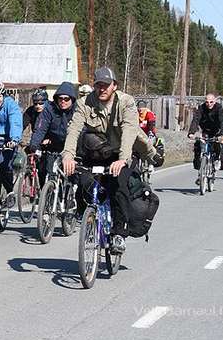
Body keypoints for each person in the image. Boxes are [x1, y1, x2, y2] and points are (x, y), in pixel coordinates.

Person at [62, 67, 159, 253]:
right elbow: (74, 129)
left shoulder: (126, 102)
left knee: (118, 186)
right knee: (83, 182)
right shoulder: (84, 103)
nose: (102, 89)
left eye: (106, 85)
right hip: (98, 153)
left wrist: (122, 160)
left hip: (123, 152)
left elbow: (129, 131)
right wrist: (68, 156)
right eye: (98, 85)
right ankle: (90, 217)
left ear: (114, 86)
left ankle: (119, 233)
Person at [187, 93, 223, 171]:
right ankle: (199, 166)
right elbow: (196, 120)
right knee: (198, 145)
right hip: (205, 129)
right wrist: (191, 132)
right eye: (207, 102)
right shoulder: (201, 108)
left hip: (216, 130)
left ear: (215, 101)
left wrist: (221, 134)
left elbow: (222, 121)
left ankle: (216, 159)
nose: (209, 104)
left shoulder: (218, 108)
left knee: (216, 143)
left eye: (211, 102)